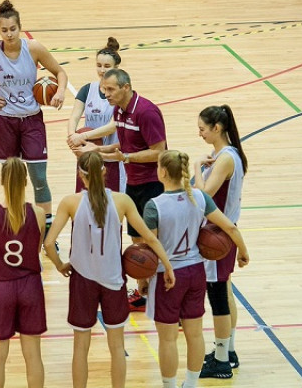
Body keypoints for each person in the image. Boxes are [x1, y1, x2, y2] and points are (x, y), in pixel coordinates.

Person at [43, 151, 174, 388]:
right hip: (113, 280)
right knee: (117, 347)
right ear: (105, 172)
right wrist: (167, 266)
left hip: (82, 280)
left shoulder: (70, 202)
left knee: (80, 347)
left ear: (80, 175)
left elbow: (48, 243)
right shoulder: (122, 201)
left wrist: (60, 264)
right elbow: (150, 239)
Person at [143, 150, 248, 388]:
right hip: (196, 272)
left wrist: (145, 278)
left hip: (168, 275)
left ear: (162, 172)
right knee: (195, 334)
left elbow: (150, 249)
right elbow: (230, 228)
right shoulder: (200, 198)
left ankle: (170, 386)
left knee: (168, 339)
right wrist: (243, 250)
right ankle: (190, 384)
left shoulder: (154, 206)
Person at [0, 0, 68, 243]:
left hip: (32, 120)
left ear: (20, 28)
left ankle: (47, 233)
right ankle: (15, 224)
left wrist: (61, 91)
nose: (9, 33)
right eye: (4, 30)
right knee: (11, 179)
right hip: (5, 122)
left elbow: (60, 72)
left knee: (39, 178)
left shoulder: (33, 48)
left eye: (13, 29)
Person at [77, 68, 167, 311]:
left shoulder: (147, 112)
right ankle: (143, 294)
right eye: (104, 90)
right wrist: (96, 150)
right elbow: (124, 143)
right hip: (133, 183)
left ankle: (164, 297)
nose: (106, 95)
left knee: (152, 242)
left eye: (111, 89)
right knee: (138, 242)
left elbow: (159, 151)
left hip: (152, 184)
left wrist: (124, 157)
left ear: (126, 87)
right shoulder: (119, 110)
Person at [192, 105, 250, 378]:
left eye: (203, 128)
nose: (200, 132)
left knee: (217, 298)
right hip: (223, 232)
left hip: (217, 234)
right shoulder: (227, 154)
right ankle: (229, 351)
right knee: (224, 292)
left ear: (217, 128)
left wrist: (195, 167)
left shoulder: (225, 158)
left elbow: (204, 196)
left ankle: (222, 360)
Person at [0, 157, 46, 388]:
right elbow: (35, 249)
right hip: (30, 286)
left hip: (1, 287)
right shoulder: (37, 214)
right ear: (26, 181)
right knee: (33, 355)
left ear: (2, 180)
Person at [66, 37, 126, 193]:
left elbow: (113, 126)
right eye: (99, 65)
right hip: (88, 156)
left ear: (116, 68)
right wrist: (73, 137)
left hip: (110, 156)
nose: (102, 70)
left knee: (112, 204)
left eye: (107, 66)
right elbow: (74, 116)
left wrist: (84, 137)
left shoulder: (120, 93)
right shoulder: (87, 89)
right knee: (83, 202)